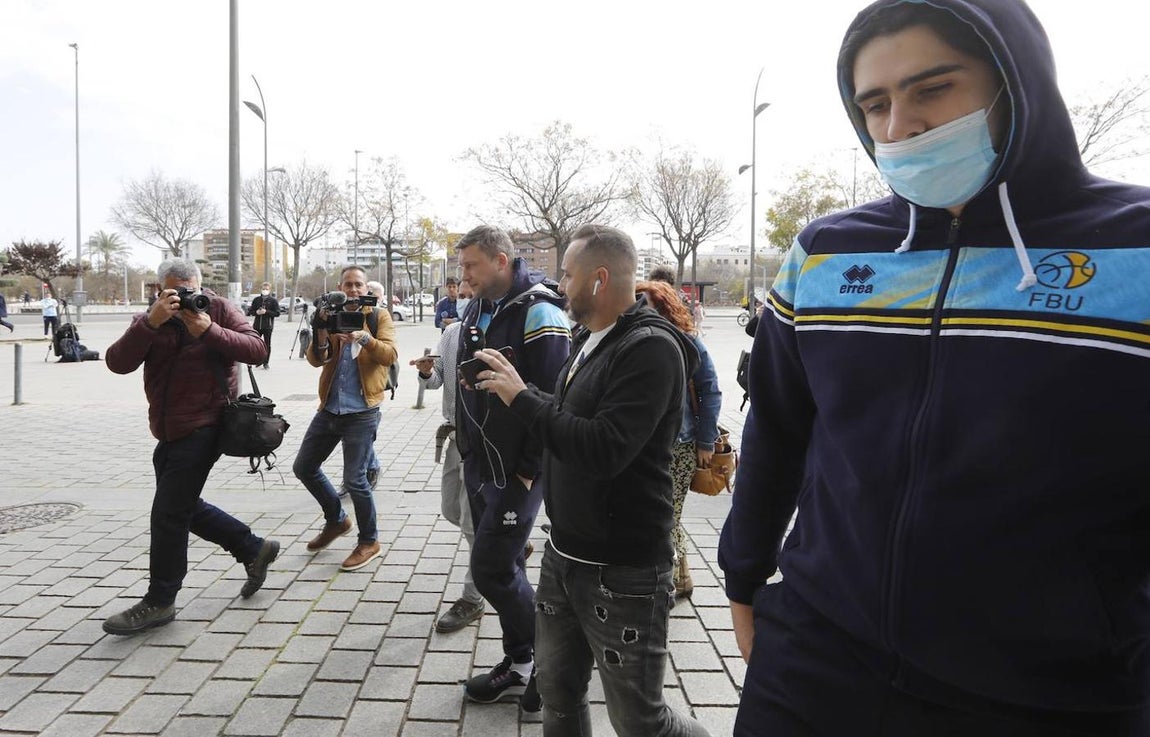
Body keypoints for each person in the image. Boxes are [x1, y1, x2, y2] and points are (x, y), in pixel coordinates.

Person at [718, 1, 1150, 735]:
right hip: (815, 662)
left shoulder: (1133, 249)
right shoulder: (825, 251)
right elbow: (778, 428)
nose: (899, 127)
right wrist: (745, 573)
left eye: (933, 89)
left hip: (1056, 692)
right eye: (875, 103)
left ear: (1017, 83)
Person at [473, 224, 710, 737]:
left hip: (623, 571)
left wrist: (523, 397)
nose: (559, 285)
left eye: (567, 274)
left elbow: (603, 448)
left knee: (640, 721)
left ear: (599, 279)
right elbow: (566, 419)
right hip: (565, 556)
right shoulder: (587, 337)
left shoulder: (650, 349)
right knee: (557, 694)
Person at [102, 259, 279, 635]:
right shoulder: (150, 319)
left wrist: (209, 330)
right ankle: (253, 548)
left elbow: (257, 349)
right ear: (158, 289)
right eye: (174, 291)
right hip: (168, 429)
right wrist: (150, 323)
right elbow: (117, 363)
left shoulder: (217, 309)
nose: (184, 298)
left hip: (206, 425)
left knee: (167, 514)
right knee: (183, 506)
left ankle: (160, 600)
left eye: (190, 290)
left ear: (200, 285)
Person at [453, 224, 570, 710]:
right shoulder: (479, 305)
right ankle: (521, 663)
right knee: (508, 569)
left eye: (470, 265)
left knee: (491, 569)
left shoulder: (540, 309)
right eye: (461, 266)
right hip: (481, 462)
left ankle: (557, 664)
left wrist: (527, 470)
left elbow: (553, 397)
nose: (463, 276)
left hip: (517, 471)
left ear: (502, 260)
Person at [293, 266, 397, 572]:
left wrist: (362, 337)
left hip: (362, 411)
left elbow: (389, 355)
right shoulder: (331, 313)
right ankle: (337, 521)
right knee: (304, 467)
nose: (352, 289)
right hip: (330, 408)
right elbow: (316, 359)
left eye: (358, 284)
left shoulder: (378, 316)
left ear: (365, 288)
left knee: (355, 479)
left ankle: (369, 541)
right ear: (340, 286)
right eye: (348, 284)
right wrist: (322, 330)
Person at [635, 280, 722, 599]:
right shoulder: (636, 337)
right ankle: (682, 577)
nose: (637, 308)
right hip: (648, 444)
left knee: (666, 515)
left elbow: (710, 389)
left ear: (663, 306)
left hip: (682, 444)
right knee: (666, 514)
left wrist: (705, 441)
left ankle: (667, 583)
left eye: (645, 303)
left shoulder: (686, 341)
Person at [411, 281, 488, 633]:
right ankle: (503, 548)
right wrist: (427, 371)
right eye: (464, 293)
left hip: (485, 442)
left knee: (473, 523)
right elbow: (436, 380)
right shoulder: (452, 332)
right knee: (450, 509)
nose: (467, 298)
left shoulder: (495, 329)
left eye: (474, 293)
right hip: (455, 435)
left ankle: (473, 597)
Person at [246, 281, 280, 369]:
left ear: (269, 290)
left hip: (268, 326)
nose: (265, 290)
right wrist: (256, 312)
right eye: (264, 289)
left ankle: (266, 362)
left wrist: (266, 312)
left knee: (267, 344)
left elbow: (277, 313)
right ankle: (258, 361)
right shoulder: (256, 300)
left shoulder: (273, 301)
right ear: (261, 289)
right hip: (257, 326)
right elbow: (250, 311)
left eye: (267, 289)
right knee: (255, 344)